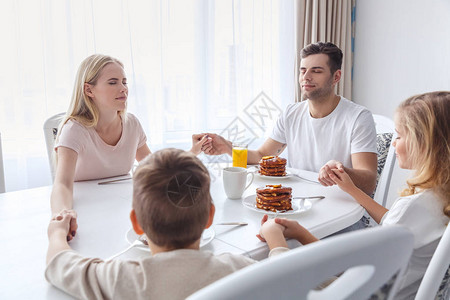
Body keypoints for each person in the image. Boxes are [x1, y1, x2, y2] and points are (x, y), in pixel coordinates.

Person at [258, 91, 450, 299]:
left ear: (426, 143)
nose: (394, 143)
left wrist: (276, 236)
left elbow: (348, 269)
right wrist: (351, 189)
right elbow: (395, 222)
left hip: (363, 293)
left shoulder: (414, 206)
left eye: (400, 136)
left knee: (274, 275)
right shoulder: (437, 198)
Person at [45, 148, 287, 299]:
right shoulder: (237, 269)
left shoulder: (121, 279)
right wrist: (276, 239)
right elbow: (288, 275)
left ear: (137, 224)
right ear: (210, 217)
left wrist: (57, 233)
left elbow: (59, 264)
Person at [51, 54, 207, 241]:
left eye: (124, 82)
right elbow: (62, 184)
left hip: (122, 210)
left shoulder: (131, 123)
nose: (123, 88)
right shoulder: (74, 130)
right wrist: (63, 215)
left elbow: (155, 167)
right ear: (89, 90)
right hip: (86, 212)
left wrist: (193, 152)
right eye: (113, 82)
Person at [195, 42, 377, 196]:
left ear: (336, 76)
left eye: (317, 71)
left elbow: (369, 182)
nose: (306, 77)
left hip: (344, 210)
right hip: (300, 203)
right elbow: (261, 157)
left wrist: (340, 171)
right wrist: (228, 147)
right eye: (303, 70)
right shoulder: (291, 113)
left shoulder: (358, 117)